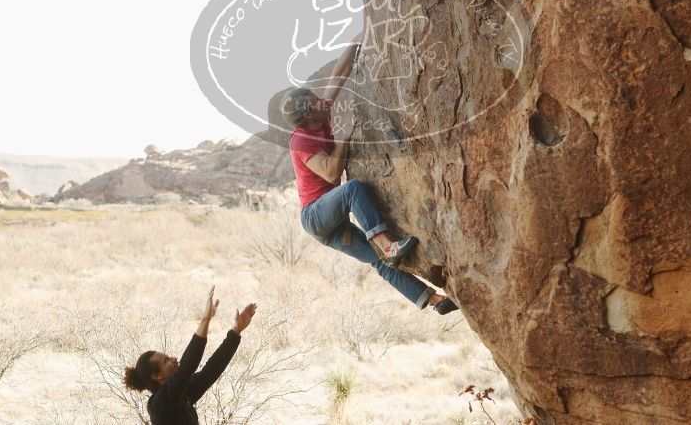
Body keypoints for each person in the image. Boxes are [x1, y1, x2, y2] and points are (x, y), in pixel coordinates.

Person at [282, 34, 458, 315]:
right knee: (353, 189)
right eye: (316, 103)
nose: (322, 103)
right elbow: (330, 174)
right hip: (316, 217)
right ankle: (386, 245)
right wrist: (345, 140)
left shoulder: (318, 115)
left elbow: (337, 77)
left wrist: (356, 40)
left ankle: (436, 301)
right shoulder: (301, 140)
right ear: (306, 118)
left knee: (378, 262)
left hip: (333, 222)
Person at [123, 286, 257, 425]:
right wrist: (205, 319)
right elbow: (188, 366)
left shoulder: (182, 394)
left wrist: (236, 331)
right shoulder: (159, 405)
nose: (174, 359)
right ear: (157, 375)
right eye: (166, 360)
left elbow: (211, 370)